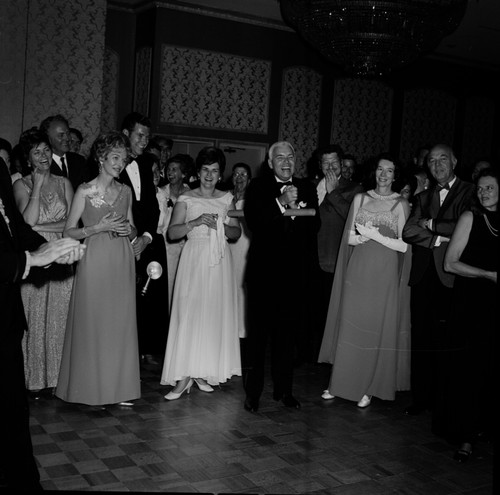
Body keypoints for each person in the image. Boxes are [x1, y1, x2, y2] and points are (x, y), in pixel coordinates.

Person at [1, 161, 85, 491]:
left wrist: (46, 251)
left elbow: (13, 230)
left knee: (13, 419)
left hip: (5, 317)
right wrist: (29, 260)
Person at [55, 131, 141, 406]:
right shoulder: (84, 190)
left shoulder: (125, 191)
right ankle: (90, 390)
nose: (120, 163)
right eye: (115, 157)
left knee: (119, 324)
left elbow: (132, 227)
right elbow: (68, 231)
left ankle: (118, 390)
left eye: (124, 159)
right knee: (93, 324)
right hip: (94, 261)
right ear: (101, 157)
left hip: (121, 260)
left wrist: (130, 229)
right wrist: (97, 228)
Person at [318, 154, 411, 407]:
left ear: (395, 176)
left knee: (374, 327)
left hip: (385, 271)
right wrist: (361, 238)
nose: (383, 175)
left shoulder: (401, 204)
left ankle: (368, 387)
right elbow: (346, 237)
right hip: (358, 267)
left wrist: (377, 236)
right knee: (351, 324)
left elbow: (405, 246)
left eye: (389, 171)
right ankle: (339, 384)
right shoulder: (361, 198)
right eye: (380, 169)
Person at [243, 141, 320, 412]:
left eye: (290, 157)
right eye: (280, 158)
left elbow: (315, 226)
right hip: (263, 276)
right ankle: (252, 394)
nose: (286, 162)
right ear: (270, 162)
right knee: (257, 339)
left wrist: (297, 212)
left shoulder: (308, 187)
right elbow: (255, 222)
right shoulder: (257, 187)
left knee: (287, 338)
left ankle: (284, 390)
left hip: (293, 277)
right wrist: (281, 202)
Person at [160, 146, 242, 400]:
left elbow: (236, 234)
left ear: (220, 174)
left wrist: (223, 224)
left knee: (211, 316)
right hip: (194, 259)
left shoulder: (227, 198)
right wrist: (195, 223)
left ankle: (202, 372)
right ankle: (183, 376)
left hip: (218, 262)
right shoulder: (187, 197)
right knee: (190, 314)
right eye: (205, 170)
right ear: (198, 172)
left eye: (215, 170)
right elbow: (172, 233)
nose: (209, 175)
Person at [402, 143, 474, 415]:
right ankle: (422, 399)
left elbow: (467, 224)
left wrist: (432, 225)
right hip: (423, 277)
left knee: (448, 341)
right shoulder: (423, 196)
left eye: (443, 159)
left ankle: (445, 402)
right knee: (421, 339)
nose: (437, 165)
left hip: (452, 277)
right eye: (432, 161)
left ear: (455, 161)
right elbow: (408, 231)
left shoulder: (470, 191)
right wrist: (437, 240)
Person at [433, 166, 497, 462]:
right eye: (480, 188)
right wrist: (487, 274)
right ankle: (465, 437)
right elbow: (450, 263)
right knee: (469, 371)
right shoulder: (471, 217)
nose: (483, 193)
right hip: (471, 303)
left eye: (490, 188)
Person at [12, 129, 74, 393]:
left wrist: (47, 226)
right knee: (34, 316)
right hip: (35, 256)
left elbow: (73, 224)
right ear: (28, 159)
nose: (43, 156)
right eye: (36, 152)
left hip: (61, 253)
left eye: (46, 150)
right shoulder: (20, 184)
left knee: (60, 316)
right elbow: (26, 223)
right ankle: (33, 380)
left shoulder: (64, 183)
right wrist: (37, 185)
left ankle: (59, 380)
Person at [120, 112, 169, 366]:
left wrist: (147, 237)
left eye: (147, 136)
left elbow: (153, 207)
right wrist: (130, 236)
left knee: (144, 298)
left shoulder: (146, 162)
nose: (144, 140)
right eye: (140, 135)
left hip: (144, 242)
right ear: (126, 134)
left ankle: (141, 349)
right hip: (118, 241)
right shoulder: (111, 163)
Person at [314, 145, 364, 358]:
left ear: (341, 164)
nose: (330, 167)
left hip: (335, 260)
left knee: (332, 314)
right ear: (320, 165)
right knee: (312, 312)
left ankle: (331, 357)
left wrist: (333, 191)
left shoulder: (354, 189)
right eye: (326, 163)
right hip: (311, 259)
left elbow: (354, 218)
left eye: (335, 162)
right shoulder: (310, 186)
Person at [155, 154, 190, 309]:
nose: (170, 172)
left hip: (186, 247)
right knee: (168, 287)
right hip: (166, 247)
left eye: (175, 169)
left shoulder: (191, 194)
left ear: (183, 174)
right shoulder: (160, 193)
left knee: (185, 288)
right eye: (168, 169)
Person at [228, 162, 253, 339]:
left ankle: (242, 331)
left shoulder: (253, 200)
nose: (239, 178)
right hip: (227, 244)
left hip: (244, 244)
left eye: (243, 175)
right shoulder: (227, 198)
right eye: (236, 174)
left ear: (249, 179)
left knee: (241, 285)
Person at [39, 114, 88, 191]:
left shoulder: (79, 161)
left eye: (68, 134)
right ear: (47, 138)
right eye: (61, 135)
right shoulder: (42, 163)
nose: (67, 138)